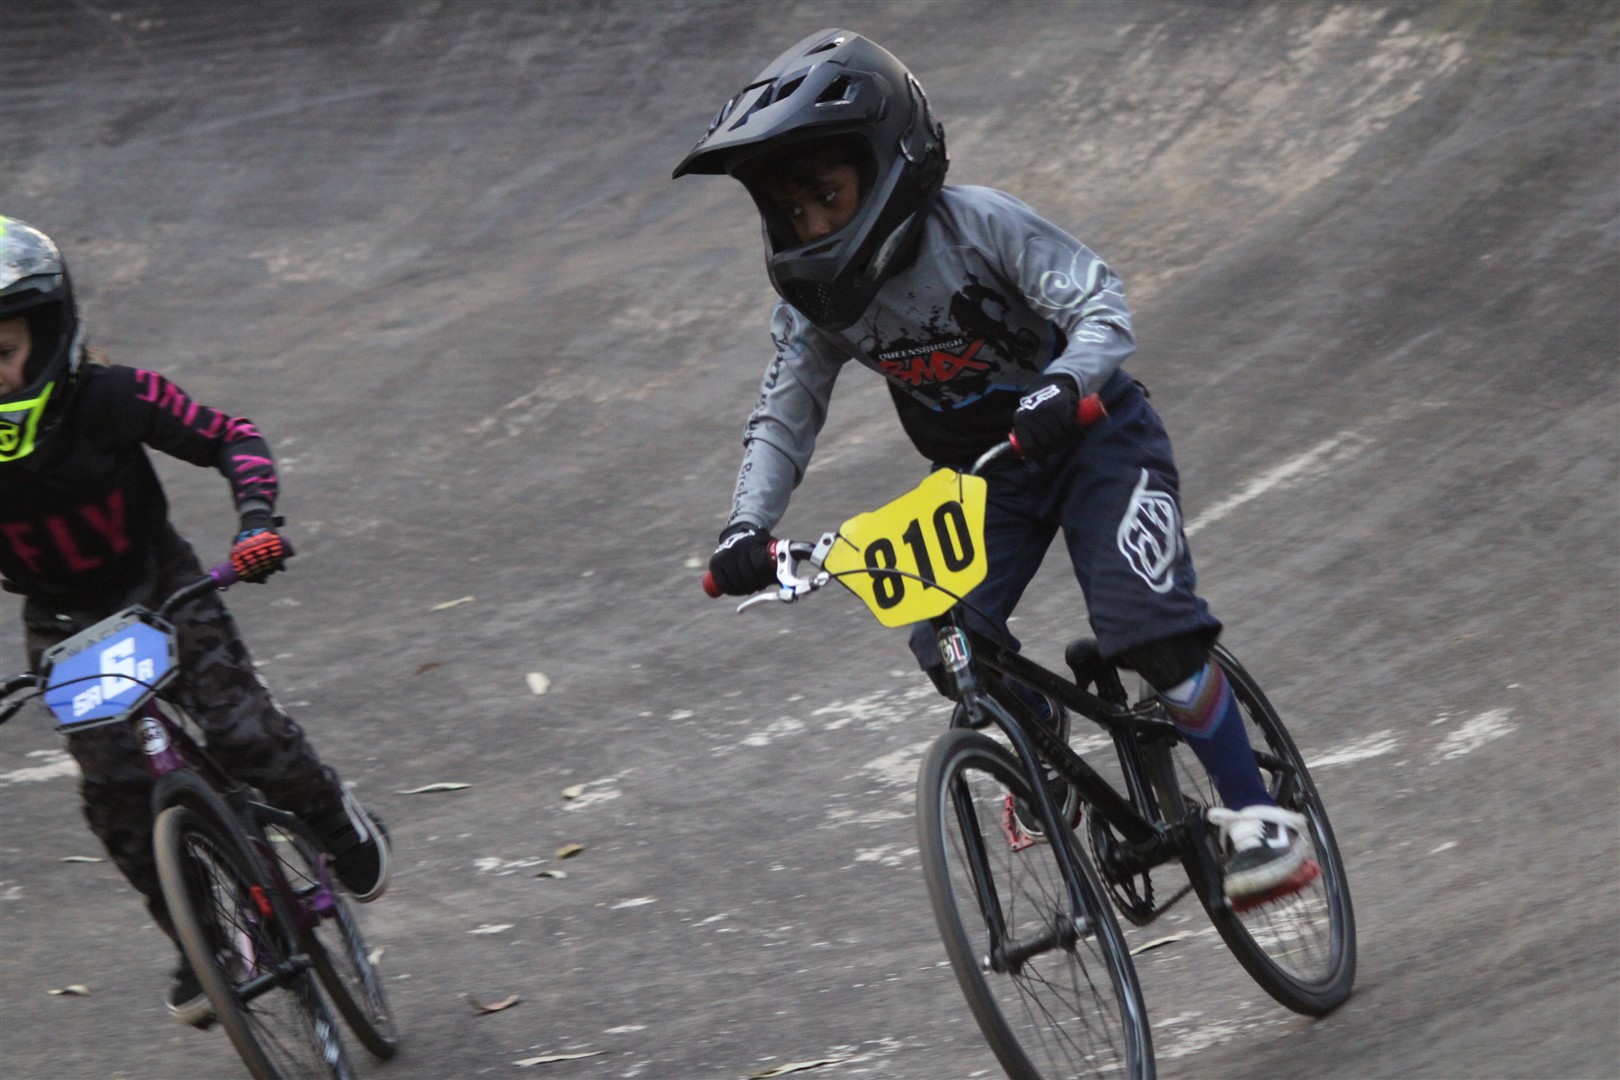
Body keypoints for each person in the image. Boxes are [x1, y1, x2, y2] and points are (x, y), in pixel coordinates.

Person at [675, 30, 1314, 902]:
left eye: (828, 196)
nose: (814, 226)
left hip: (1093, 437)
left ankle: (1262, 820)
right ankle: (1043, 737)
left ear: (889, 161)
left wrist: (1064, 382)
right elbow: (783, 415)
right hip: (986, 475)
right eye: (795, 211)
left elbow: (1101, 301)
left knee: (1151, 632)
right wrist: (746, 526)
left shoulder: (978, 226)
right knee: (949, 646)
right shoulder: (818, 306)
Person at [0, 216, 391, 1025]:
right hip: (63, 621)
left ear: (49, 334)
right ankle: (201, 931)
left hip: (159, 583)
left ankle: (331, 815)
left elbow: (230, 438)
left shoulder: (110, 396)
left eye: (1, 353)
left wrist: (256, 524)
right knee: (115, 794)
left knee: (242, 732)